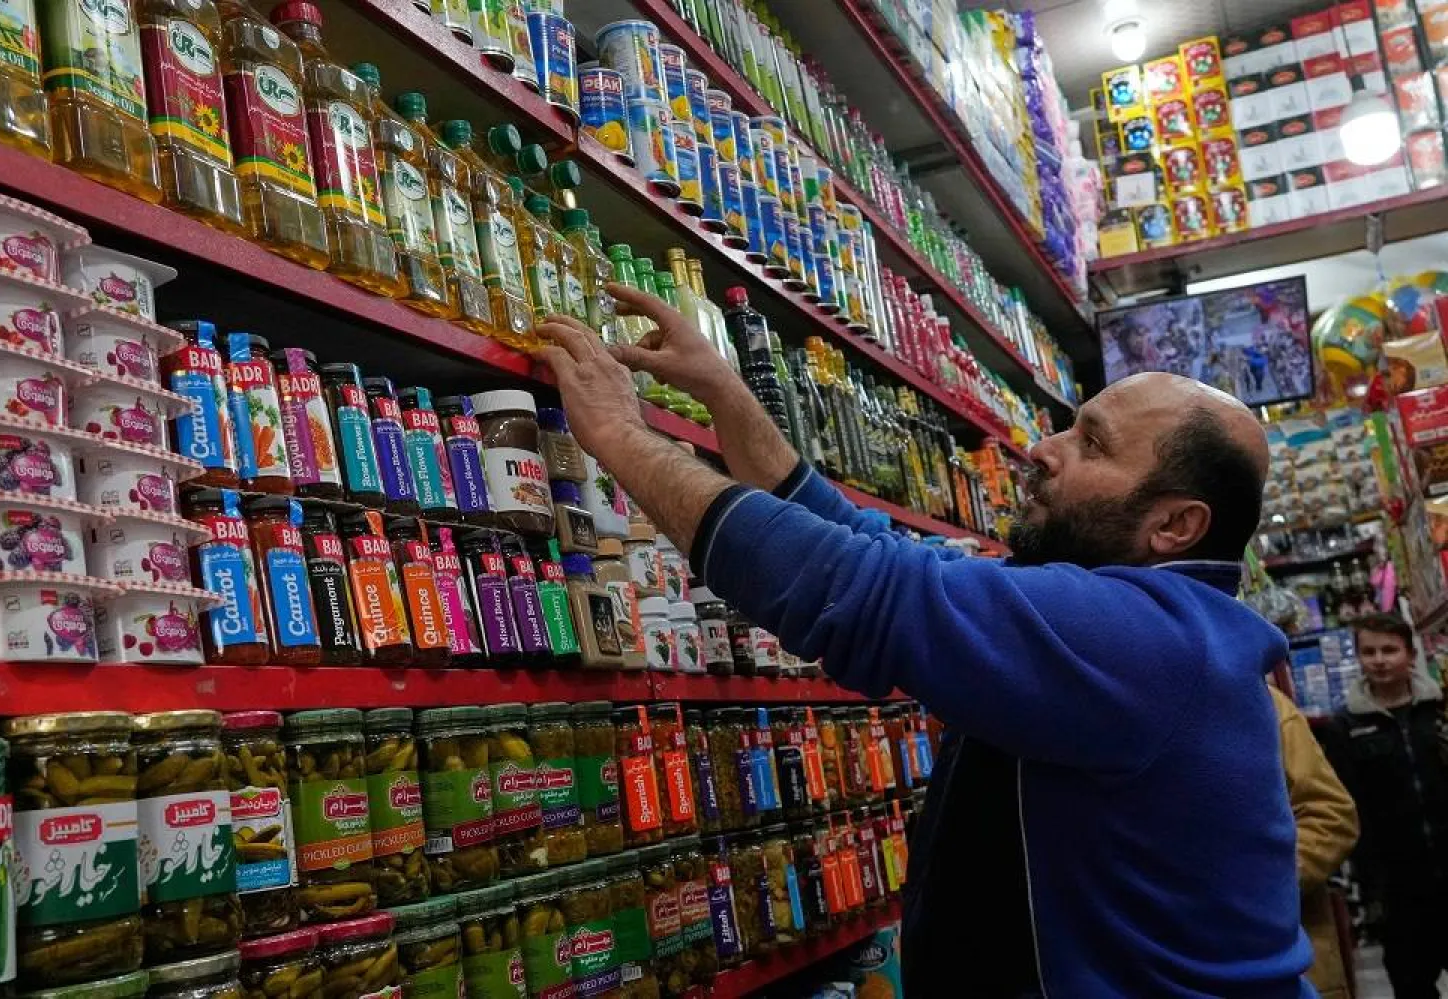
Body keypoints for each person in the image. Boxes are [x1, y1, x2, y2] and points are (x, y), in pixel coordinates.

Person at [535, 286, 1315, 996]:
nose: (1044, 448)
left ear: (1173, 525)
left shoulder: (1142, 641)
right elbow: (868, 546)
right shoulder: (1148, 619)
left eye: (1092, 444)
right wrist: (724, 392)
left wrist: (619, 436)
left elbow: (858, 588)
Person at [1322, 613, 1448, 998]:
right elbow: (1348, 806)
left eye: (1389, 650)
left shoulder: (1439, 712)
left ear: (1410, 655)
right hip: (1397, 884)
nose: (1379, 659)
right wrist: (1370, 882)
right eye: (1369, 651)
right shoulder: (1344, 727)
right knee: (1412, 982)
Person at [1270, 685, 1359, 999]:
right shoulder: (1120, 718)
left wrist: (1265, 884)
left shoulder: (1266, 706)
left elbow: (1330, 815)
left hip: (1287, 952)